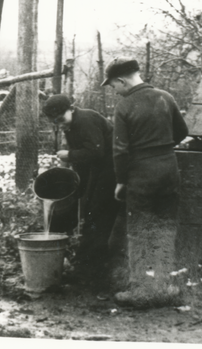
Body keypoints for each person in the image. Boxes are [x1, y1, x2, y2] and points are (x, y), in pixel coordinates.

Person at [101, 56, 188, 308]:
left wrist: (120, 181)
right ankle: (164, 286)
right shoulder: (166, 97)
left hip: (141, 174)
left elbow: (120, 150)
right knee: (165, 226)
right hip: (169, 169)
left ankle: (140, 290)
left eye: (113, 86)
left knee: (138, 231)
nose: (115, 91)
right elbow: (182, 132)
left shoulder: (125, 107)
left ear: (121, 80)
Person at [42, 94, 119, 284]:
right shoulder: (71, 124)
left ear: (72, 109)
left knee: (98, 219)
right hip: (94, 174)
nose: (59, 124)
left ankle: (93, 274)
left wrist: (69, 155)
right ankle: (81, 265)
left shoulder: (86, 120)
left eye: (60, 119)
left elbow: (96, 151)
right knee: (83, 215)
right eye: (55, 121)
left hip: (110, 173)